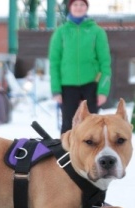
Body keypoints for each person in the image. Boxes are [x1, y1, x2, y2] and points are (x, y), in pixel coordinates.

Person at [48, 0, 111, 134]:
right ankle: (66, 154)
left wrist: (103, 91)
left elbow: (105, 62)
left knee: (93, 126)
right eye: (75, 4)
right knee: (68, 125)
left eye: (82, 4)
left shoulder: (97, 32)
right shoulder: (61, 32)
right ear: (70, 7)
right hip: (67, 86)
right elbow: (54, 62)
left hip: (91, 85)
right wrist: (56, 89)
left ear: (86, 7)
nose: (78, 8)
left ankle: (92, 155)